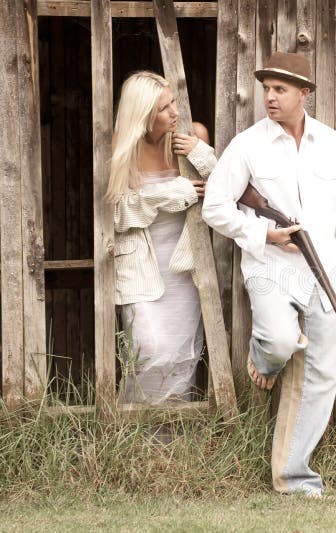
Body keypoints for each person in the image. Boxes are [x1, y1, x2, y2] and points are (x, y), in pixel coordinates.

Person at [202, 52, 336, 497]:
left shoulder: (331, 143)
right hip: (271, 268)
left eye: (281, 90)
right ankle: (265, 362)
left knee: (321, 377)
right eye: (267, 89)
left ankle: (293, 478)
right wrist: (264, 234)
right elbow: (214, 206)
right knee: (276, 342)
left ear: (304, 94)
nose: (270, 98)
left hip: (323, 274)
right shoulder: (248, 144)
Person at [107, 71, 217, 405]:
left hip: (183, 262)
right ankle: (135, 432)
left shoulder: (191, 135)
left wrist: (201, 152)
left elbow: (226, 193)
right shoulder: (123, 146)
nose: (174, 112)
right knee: (148, 347)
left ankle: (171, 440)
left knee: (181, 354)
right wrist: (169, 193)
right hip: (139, 259)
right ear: (142, 114)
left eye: (173, 102)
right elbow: (118, 215)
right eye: (163, 108)